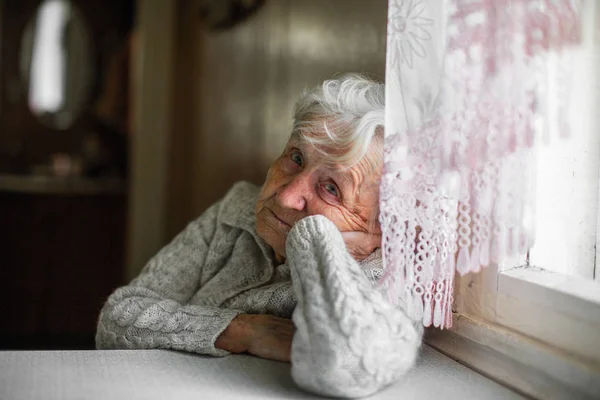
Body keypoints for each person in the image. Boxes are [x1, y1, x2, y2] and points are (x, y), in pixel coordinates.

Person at [96, 74, 423, 398]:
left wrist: (313, 238)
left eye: (331, 188)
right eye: (296, 158)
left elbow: (349, 366)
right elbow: (115, 319)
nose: (285, 197)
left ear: (384, 226)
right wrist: (241, 329)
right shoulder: (235, 212)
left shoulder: (384, 274)